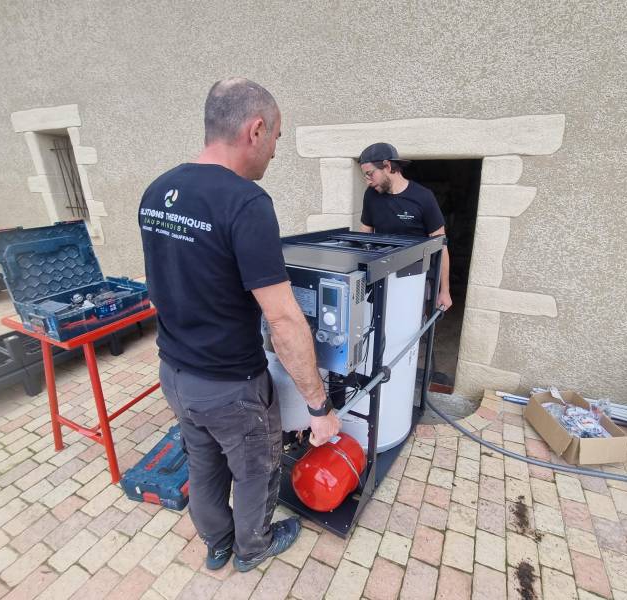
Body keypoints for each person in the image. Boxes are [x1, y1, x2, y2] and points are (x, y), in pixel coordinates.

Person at [138, 78, 340, 573]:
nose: (274, 152)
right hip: (231, 385)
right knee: (256, 468)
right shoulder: (246, 203)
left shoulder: (157, 190)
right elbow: (283, 319)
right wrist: (319, 406)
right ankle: (253, 547)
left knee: (203, 461)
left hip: (176, 374)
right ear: (255, 129)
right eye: (276, 138)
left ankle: (217, 543)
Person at [358, 143, 453, 311]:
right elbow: (364, 236)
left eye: (370, 174)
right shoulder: (371, 195)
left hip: (416, 278)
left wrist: (444, 291)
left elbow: (441, 246)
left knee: (411, 329)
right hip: (382, 275)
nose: (368, 181)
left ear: (387, 166)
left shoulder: (423, 197)